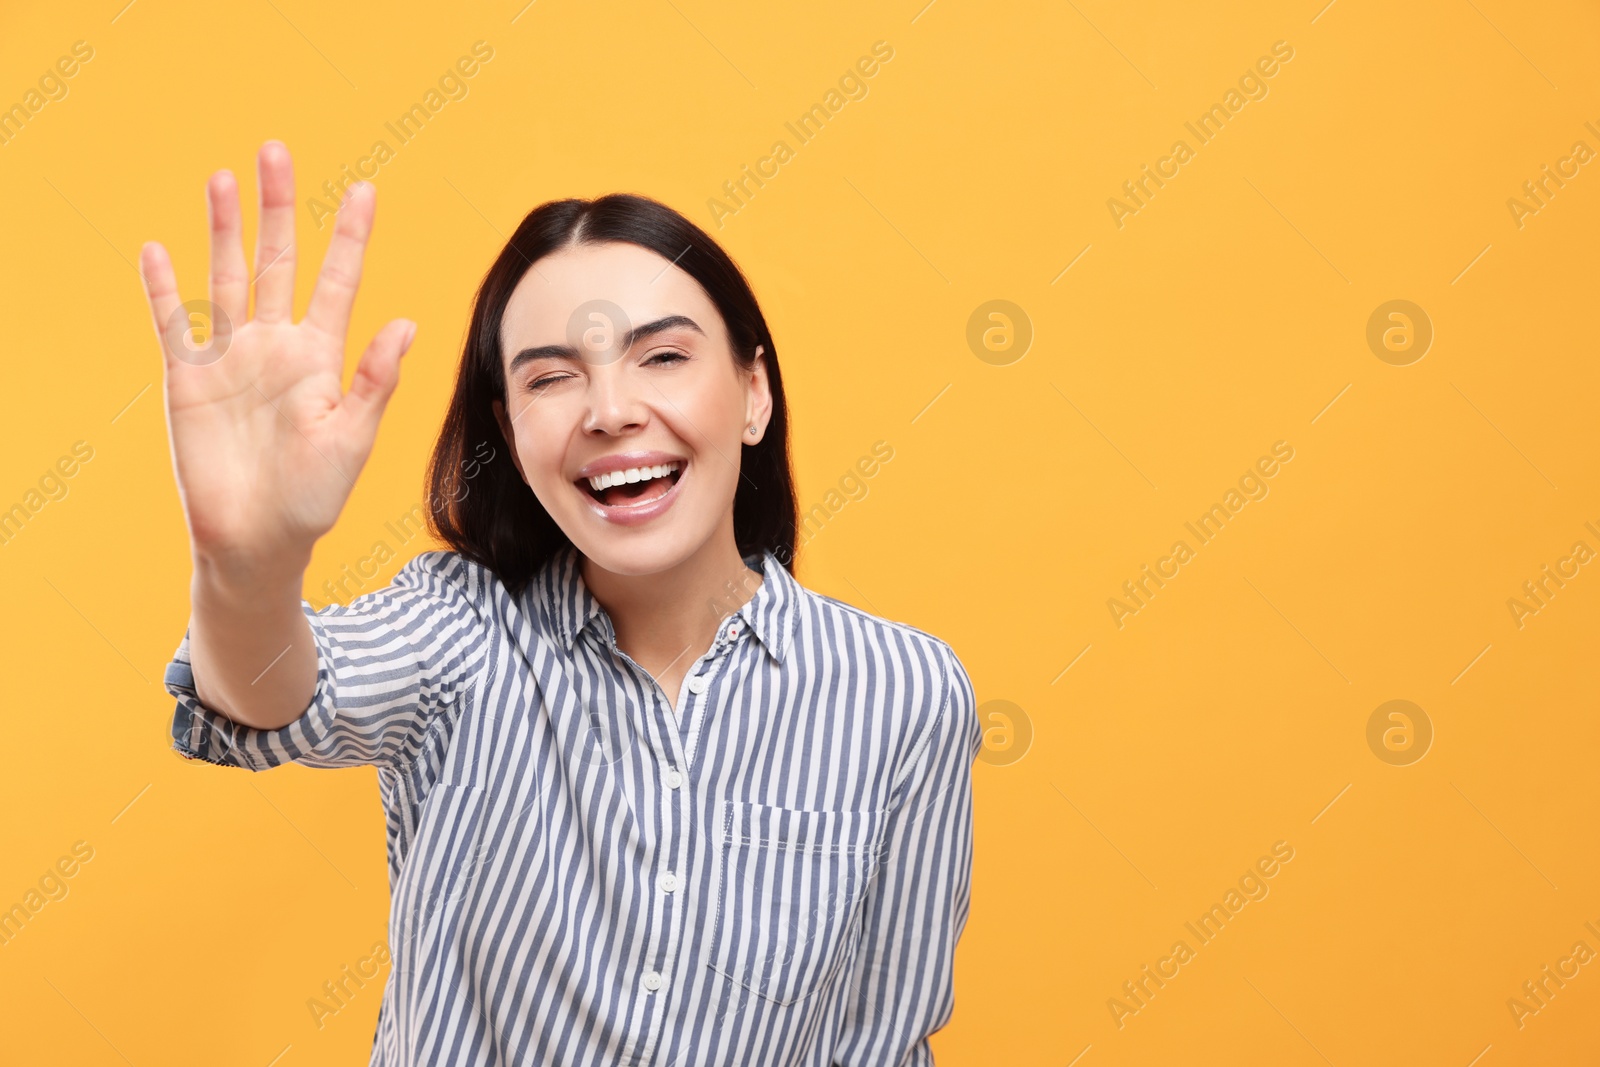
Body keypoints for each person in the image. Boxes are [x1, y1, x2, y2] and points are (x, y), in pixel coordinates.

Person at [141, 139, 981, 1067]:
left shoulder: (905, 692)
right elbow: (274, 695)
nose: (611, 410)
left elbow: (878, 1043)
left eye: (661, 356)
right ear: (510, 427)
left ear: (753, 391)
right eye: (550, 376)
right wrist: (247, 571)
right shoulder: (458, 632)